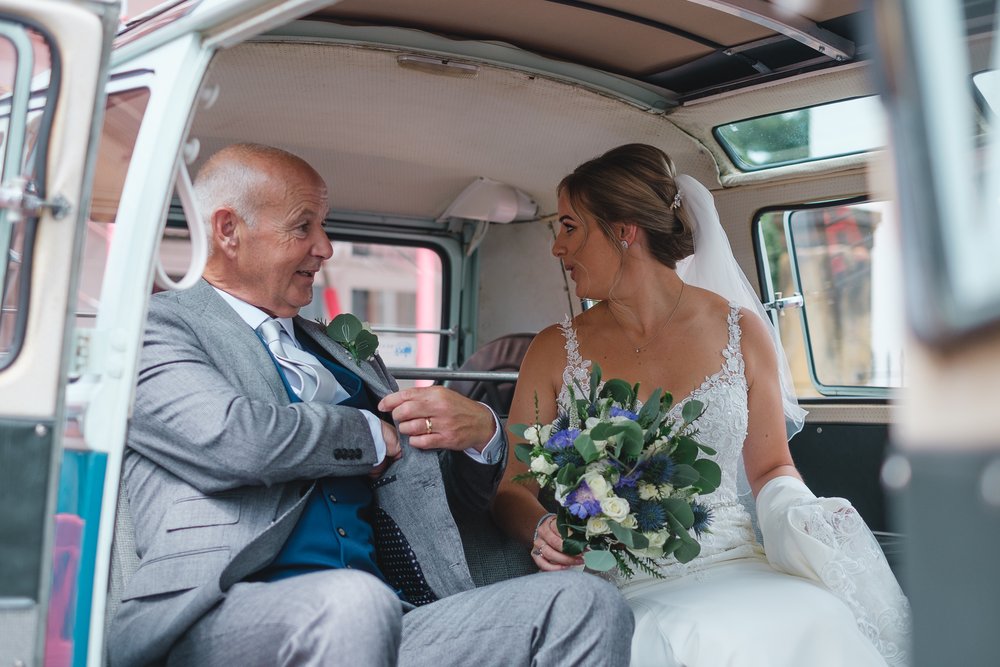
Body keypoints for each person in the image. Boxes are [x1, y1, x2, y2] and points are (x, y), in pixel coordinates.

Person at [107, 143, 634, 667]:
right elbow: (230, 439)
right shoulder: (155, 328)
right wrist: (365, 431)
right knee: (353, 603)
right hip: (218, 615)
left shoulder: (339, 352)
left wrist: (481, 437)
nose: (326, 248)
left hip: (388, 611)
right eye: (303, 227)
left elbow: (437, 500)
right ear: (227, 230)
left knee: (585, 602)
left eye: (325, 225)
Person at [491, 144, 910, 667]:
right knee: (685, 638)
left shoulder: (743, 332)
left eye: (571, 227)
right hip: (620, 580)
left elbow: (773, 467)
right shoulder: (554, 348)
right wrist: (541, 528)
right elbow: (515, 484)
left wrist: (801, 513)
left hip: (735, 560)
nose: (558, 247)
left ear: (625, 231)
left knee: (818, 613)